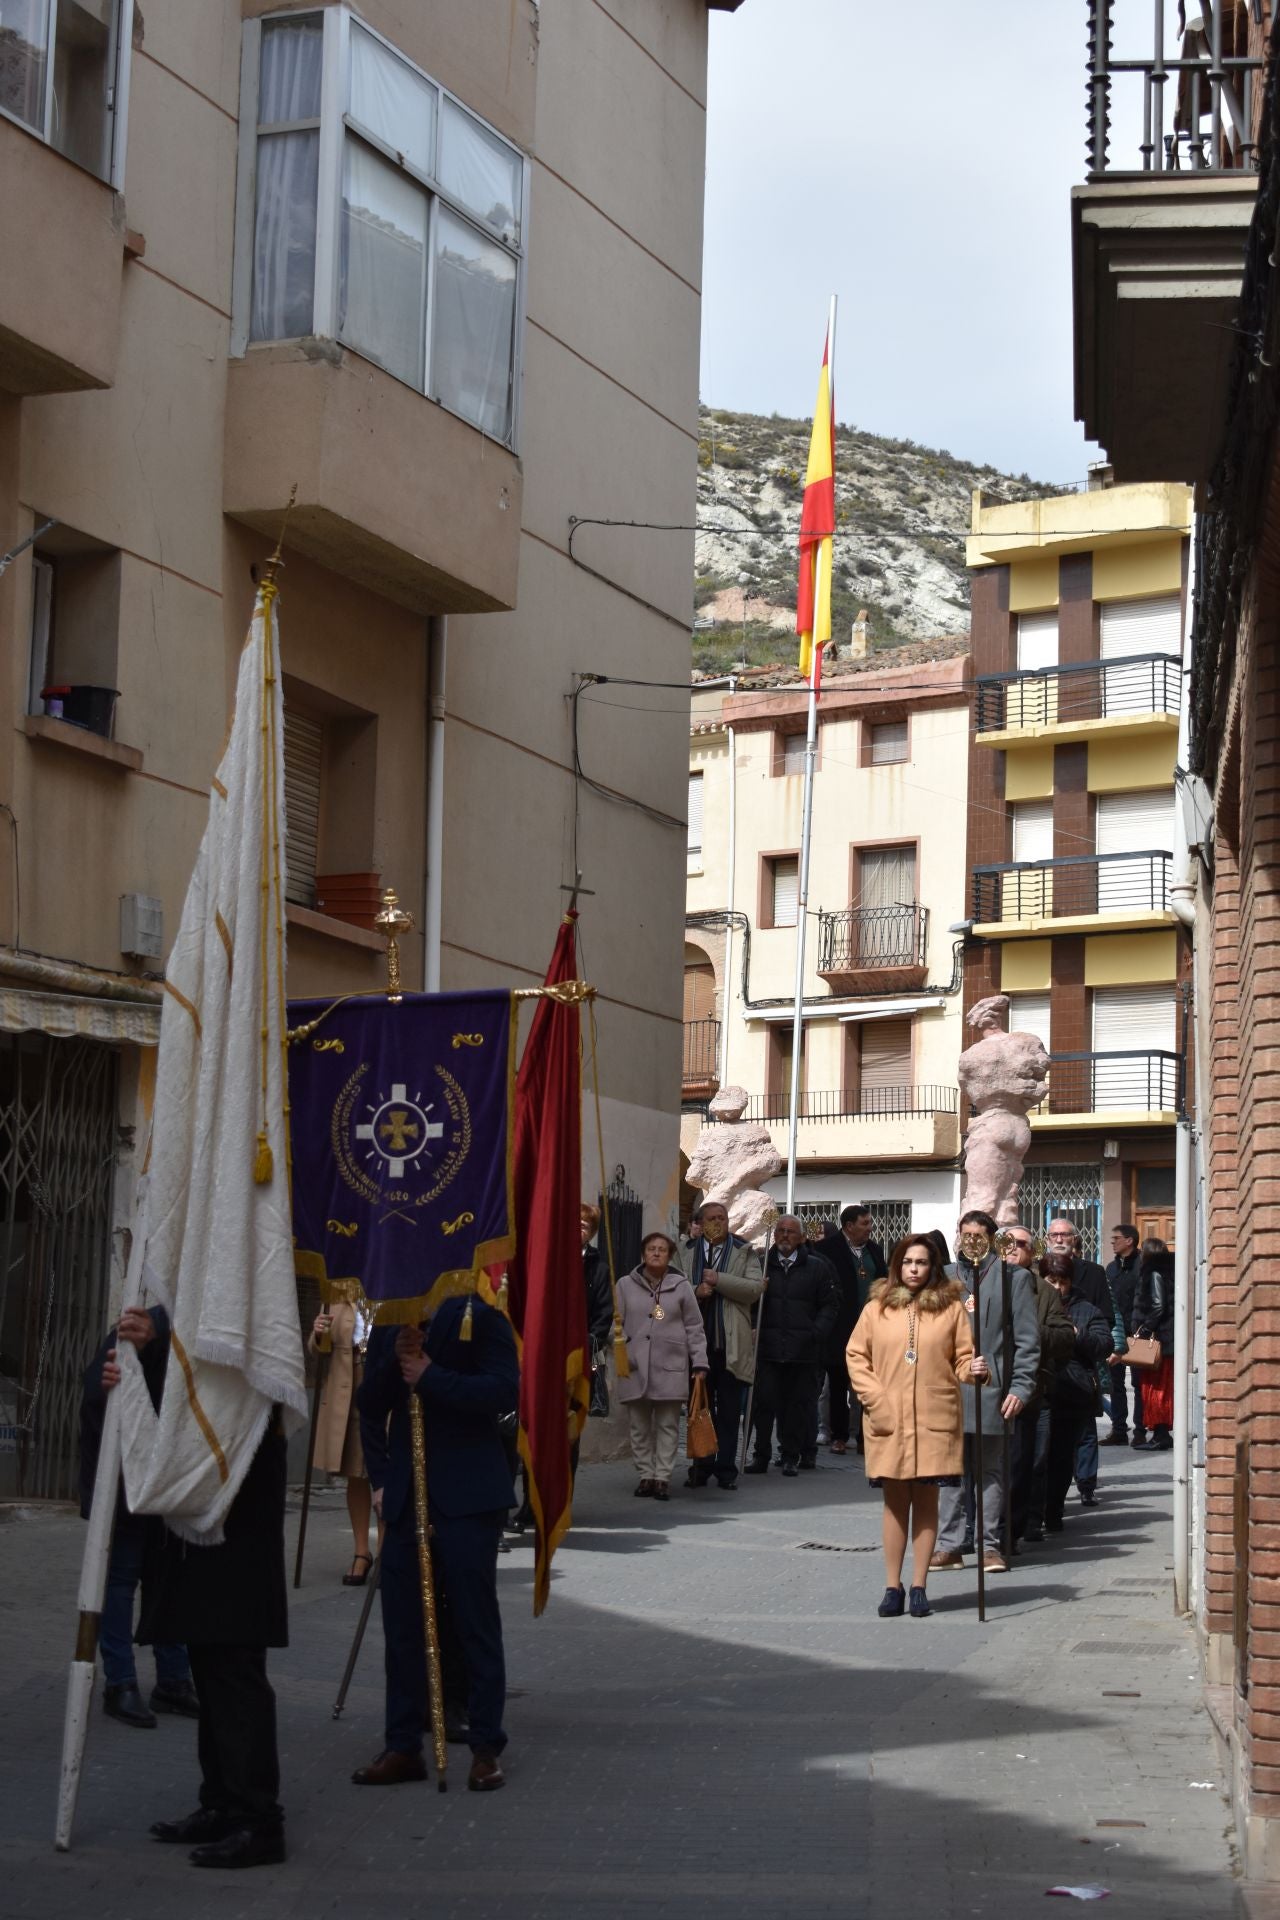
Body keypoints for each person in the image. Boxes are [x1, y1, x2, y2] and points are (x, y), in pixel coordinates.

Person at [103, 1308, 288, 1870]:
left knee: (234, 1670)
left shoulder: (249, 1312)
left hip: (235, 1518)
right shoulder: (168, 1306)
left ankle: (258, 1819)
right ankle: (222, 1802)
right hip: (191, 1525)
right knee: (211, 1668)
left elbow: (221, 1395)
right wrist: (122, 1375)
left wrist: (157, 1354)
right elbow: (115, 1377)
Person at [355, 1290, 519, 1793]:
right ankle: (402, 1743)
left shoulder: (482, 1315)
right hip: (408, 1498)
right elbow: (370, 1404)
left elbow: (501, 1391)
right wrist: (395, 1360)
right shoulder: (393, 1316)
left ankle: (486, 1746)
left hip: (468, 1495)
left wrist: (431, 1376)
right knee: (403, 1625)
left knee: (474, 1621)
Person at [847, 1235, 979, 1619]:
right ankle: (893, 1585)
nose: (915, 1269)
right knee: (893, 1503)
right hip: (888, 1418)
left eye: (921, 1262)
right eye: (908, 1262)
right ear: (897, 1266)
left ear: (933, 1266)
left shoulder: (952, 1308)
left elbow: (963, 1357)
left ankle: (919, 1584)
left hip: (935, 1418)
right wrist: (875, 1398)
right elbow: (856, 1356)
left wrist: (973, 1370)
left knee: (926, 1502)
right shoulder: (876, 1308)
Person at [79, 1317, 198, 1729]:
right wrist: (111, 1382)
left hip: (168, 1481)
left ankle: (173, 1679)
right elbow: (97, 1388)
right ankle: (121, 1682)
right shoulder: (139, 1327)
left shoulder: (191, 1324)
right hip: (128, 1483)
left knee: (167, 1580)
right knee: (121, 1580)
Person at [930, 1209, 1039, 1575]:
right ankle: (950, 1545)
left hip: (993, 1390)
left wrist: (1022, 1386)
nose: (971, 1240)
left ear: (991, 1239)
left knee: (990, 1471)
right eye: (965, 1234)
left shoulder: (1015, 1279)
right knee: (950, 1472)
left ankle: (990, 1546)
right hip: (948, 1390)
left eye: (979, 1234)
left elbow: (1027, 1341)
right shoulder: (943, 1277)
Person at [616, 1230, 708, 1500]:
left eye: (662, 1249)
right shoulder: (624, 1284)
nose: (656, 1253)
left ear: (669, 1256)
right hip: (634, 1365)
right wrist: (621, 1342)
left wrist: (699, 1361)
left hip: (670, 1365)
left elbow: (694, 1326)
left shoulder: (680, 1286)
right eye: (651, 1249)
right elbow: (615, 1320)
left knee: (668, 1425)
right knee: (639, 1426)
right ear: (643, 1254)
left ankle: (662, 1477)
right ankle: (645, 1474)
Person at [678, 1201, 763, 1490]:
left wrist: (719, 1280)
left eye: (723, 1218)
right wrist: (695, 1291)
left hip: (730, 1345)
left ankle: (726, 1470)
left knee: (728, 1411)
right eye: (712, 1218)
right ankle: (701, 1467)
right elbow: (672, 1289)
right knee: (700, 1409)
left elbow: (754, 1290)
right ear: (700, 1223)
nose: (718, 1222)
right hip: (696, 1347)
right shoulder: (685, 1251)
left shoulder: (744, 1250)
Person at [745, 1215, 838, 1478]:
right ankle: (760, 1455)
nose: (785, 1236)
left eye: (790, 1232)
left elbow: (829, 1305)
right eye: (781, 1231)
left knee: (796, 1406)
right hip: (768, 1348)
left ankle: (790, 1455)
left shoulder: (816, 1268)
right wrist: (753, 1326)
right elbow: (750, 1303)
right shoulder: (762, 1266)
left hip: (802, 1350)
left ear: (801, 1237)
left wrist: (816, 1332)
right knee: (763, 1405)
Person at [1001, 1226, 1075, 1547]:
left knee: (1026, 1464)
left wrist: (1032, 1333)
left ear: (1033, 1252)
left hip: (1031, 1390)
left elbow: (1065, 1336)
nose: (1015, 1249)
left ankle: (1015, 1529)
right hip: (987, 1387)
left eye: (1023, 1245)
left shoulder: (1043, 1292)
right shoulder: (980, 1283)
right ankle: (976, 1529)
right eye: (1009, 1243)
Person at [1040, 1251, 1114, 1529]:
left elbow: (1103, 1345)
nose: (1057, 1288)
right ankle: (1034, 1514)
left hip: (1072, 1391)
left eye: (1062, 1282)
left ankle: (1054, 1510)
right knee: (1036, 1456)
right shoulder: (1033, 1305)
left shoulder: (1086, 1309)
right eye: (1051, 1281)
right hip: (1039, 1389)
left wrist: (1076, 1334)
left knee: (1061, 1455)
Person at [308, 1291, 375, 1585]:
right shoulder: (336, 1294)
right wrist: (318, 1332)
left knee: (388, 1471)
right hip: (350, 1388)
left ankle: (390, 1553)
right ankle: (362, 1552)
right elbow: (318, 1349)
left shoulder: (395, 1286)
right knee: (356, 1472)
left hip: (387, 1382)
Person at [819, 1205, 887, 1455]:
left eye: (870, 1223)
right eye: (865, 1223)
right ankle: (838, 1435)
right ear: (849, 1226)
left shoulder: (874, 1250)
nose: (870, 1227)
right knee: (837, 1383)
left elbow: (884, 1281)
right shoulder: (828, 1249)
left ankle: (862, 1436)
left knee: (866, 1384)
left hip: (870, 1327)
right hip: (839, 1328)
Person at [1103, 1223, 1144, 1447]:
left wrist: (1143, 1327)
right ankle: (1119, 1430)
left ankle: (1140, 1429)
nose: (1113, 1242)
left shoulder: (1143, 1265)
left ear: (1129, 1241)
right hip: (1117, 1334)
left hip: (1138, 1333)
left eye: (1116, 1238)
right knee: (1116, 1384)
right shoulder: (1110, 1268)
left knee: (1139, 1384)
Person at [1132, 1236, 1175, 1450]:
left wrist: (1145, 1328)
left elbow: (1158, 1306)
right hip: (1164, 1342)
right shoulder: (1167, 1273)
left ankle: (1160, 1434)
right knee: (1157, 1388)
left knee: (1154, 1389)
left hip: (1156, 1342)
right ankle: (1160, 1433)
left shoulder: (1155, 1274)